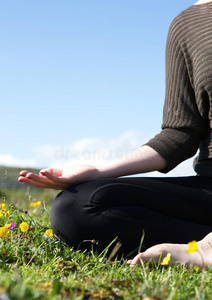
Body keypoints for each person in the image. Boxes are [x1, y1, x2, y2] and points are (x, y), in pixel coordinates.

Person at [18, 0, 212, 268]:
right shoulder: (186, 24)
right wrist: (97, 172)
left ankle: (205, 250)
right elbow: (180, 133)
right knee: (77, 208)